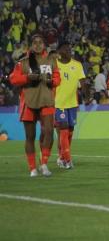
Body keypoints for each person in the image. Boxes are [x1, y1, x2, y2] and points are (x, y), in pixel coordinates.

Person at [9, 33, 60, 177]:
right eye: (35, 43)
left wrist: (52, 81)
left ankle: (44, 164)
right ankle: (32, 168)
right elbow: (13, 79)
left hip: (46, 99)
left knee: (49, 132)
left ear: (44, 45)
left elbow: (57, 78)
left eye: (40, 42)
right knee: (30, 136)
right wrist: (27, 78)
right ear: (31, 45)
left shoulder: (51, 60)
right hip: (29, 101)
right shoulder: (23, 61)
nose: (38, 45)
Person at [54, 41, 87, 169]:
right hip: (58, 103)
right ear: (59, 51)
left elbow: (82, 81)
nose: (68, 51)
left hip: (72, 104)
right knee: (63, 128)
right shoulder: (54, 65)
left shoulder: (77, 65)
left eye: (69, 49)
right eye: (65, 49)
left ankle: (62, 157)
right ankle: (68, 160)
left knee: (70, 131)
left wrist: (86, 94)